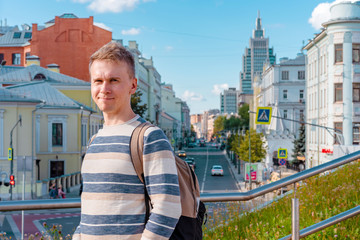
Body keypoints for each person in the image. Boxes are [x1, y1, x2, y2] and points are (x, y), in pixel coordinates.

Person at [73, 42, 181, 240]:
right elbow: (89, 211)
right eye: (97, 80)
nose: (104, 89)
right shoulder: (94, 141)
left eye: (113, 80)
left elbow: (168, 207)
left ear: (133, 85)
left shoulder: (149, 137)